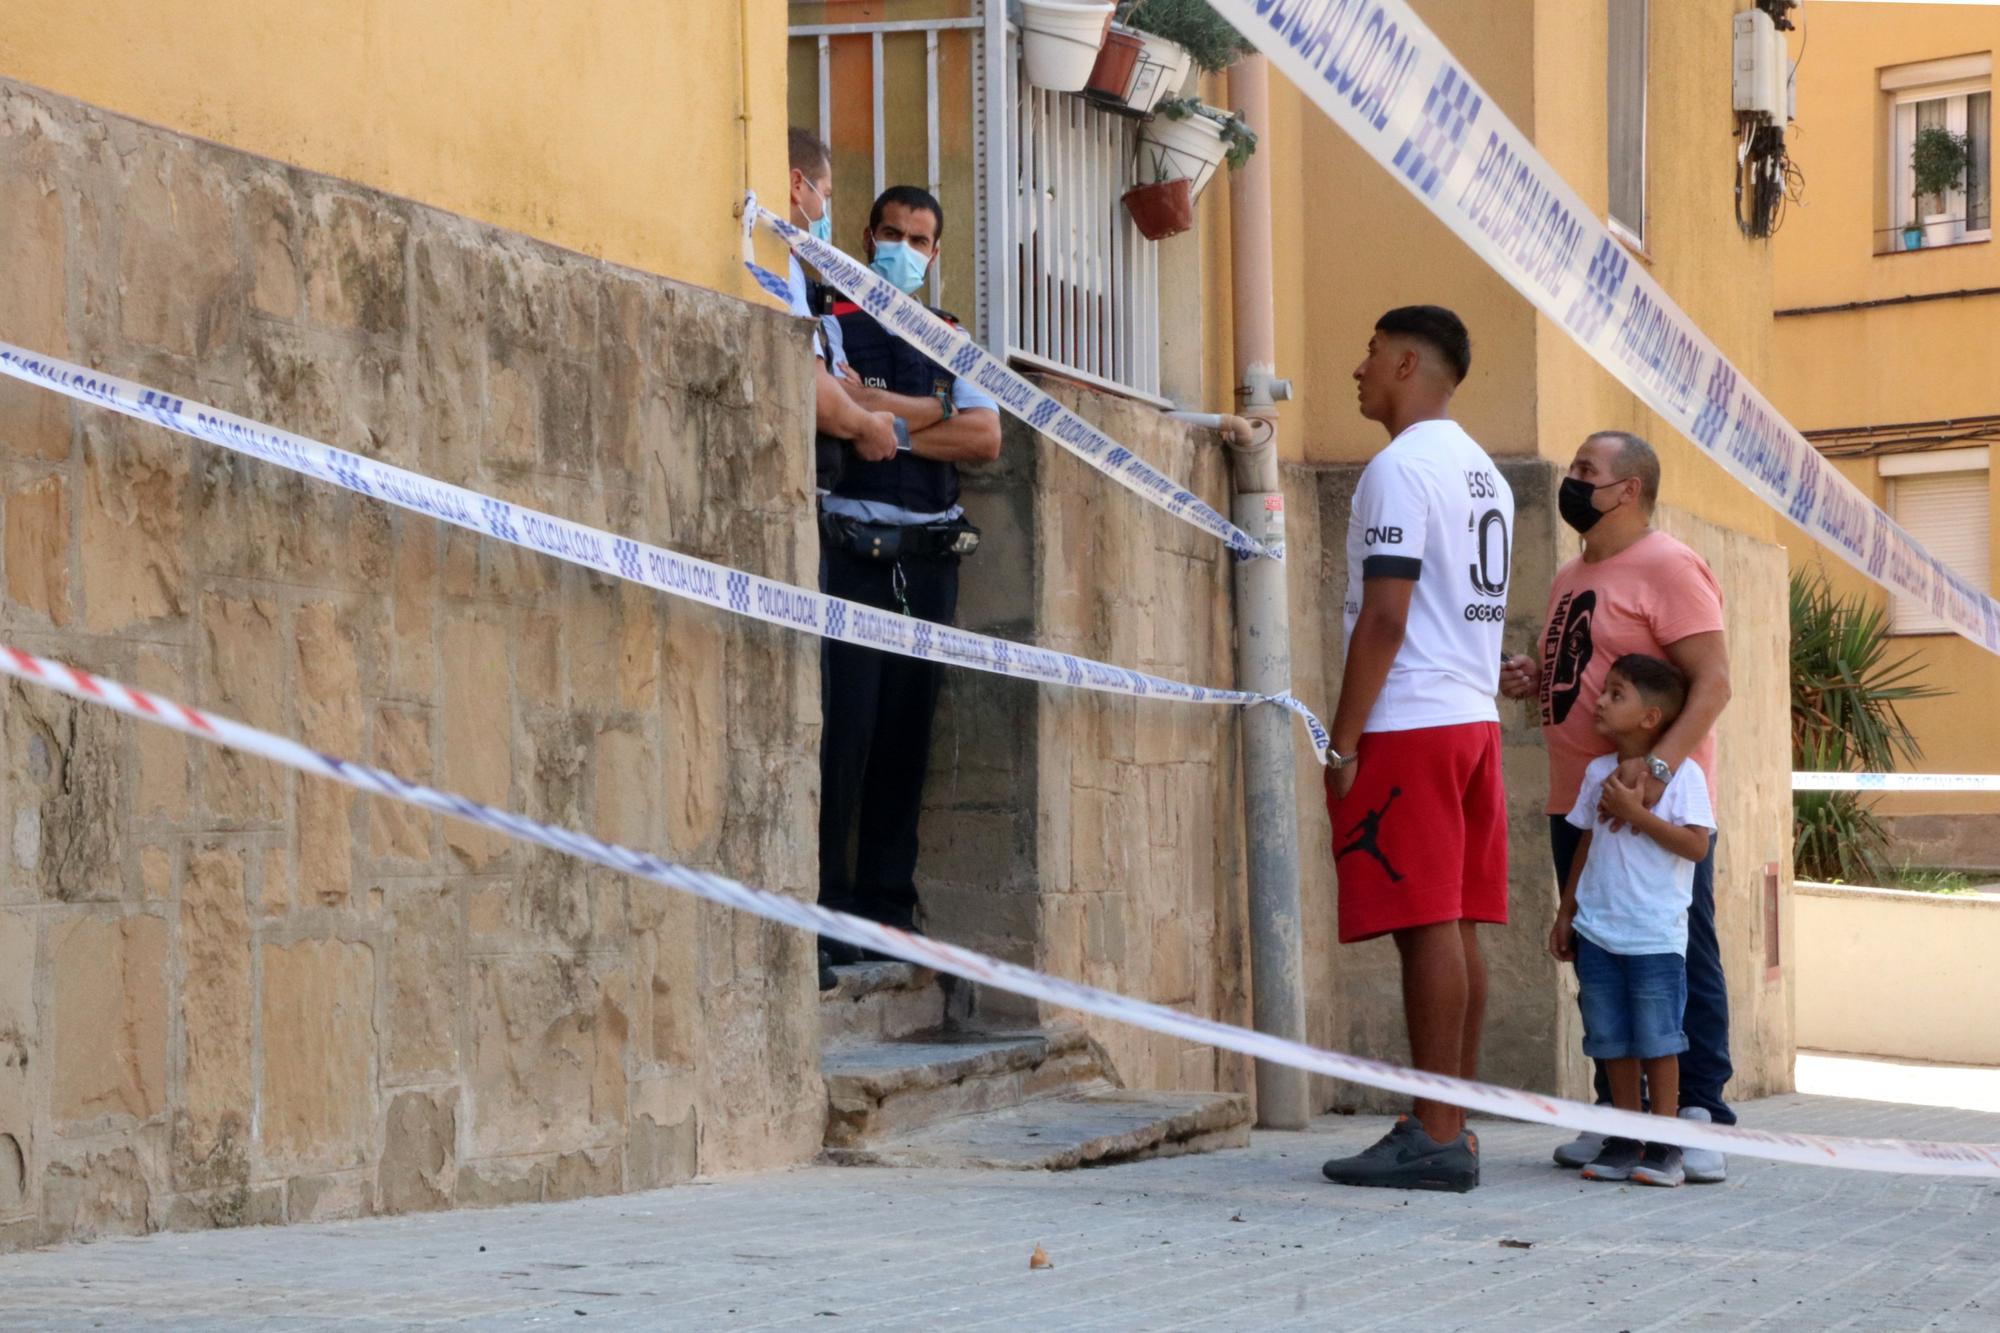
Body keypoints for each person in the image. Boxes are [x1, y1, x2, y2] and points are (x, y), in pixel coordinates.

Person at [1499, 429, 1734, 1184]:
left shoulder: (1669, 566)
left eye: (1586, 472)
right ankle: (1619, 1120)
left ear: (1628, 489)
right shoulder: (1573, 571)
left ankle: (1697, 1116)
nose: (1573, 482)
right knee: (1600, 954)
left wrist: (1659, 773)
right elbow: (1587, 666)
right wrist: (1537, 676)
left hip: (1653, 810)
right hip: (1581, 802)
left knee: (1675, 956)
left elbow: (1714, 681)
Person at [1318, 306, 1514, 1194]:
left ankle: (1435, 1130)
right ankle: (1447, 1119)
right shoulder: (1485, 473)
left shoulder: (1399, 469)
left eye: (1367, 353)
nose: (1357, 370)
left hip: (1413, 718)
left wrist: (1343, 736)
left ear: (1404, 362)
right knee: (1456, 919)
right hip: (1470, 717)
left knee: (1426, 922)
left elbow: (1387, 616)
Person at [817, 185, 1002, 977]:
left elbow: (985, 435)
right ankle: (828, 912)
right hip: (854, 556)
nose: (902, 249)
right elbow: (836, 409)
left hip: (928, 564)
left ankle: (889, 911)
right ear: (865, 236)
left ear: (937, 252)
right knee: (844, 737)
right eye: (890, 234)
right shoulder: (828, 319)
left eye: (918, 239)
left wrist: (885, 416)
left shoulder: (954, 337)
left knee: (906, 739)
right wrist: (928, 412)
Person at [1548, 654, 1716, 1188]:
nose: (1599, 700)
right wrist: (1567, 910)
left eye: (1616, 694)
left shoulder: (1686, 777)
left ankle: (1665, 1145)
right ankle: (1625, 1137)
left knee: (1658, 1040)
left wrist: (1639, 813)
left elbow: (1695, 845)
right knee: (1610, 1039)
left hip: (1654, 937)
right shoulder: (1597, 773)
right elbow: (1586, 844)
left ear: (1651, 718)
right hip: (1599, 932)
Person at [784, 128, 901, 484]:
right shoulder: (780, 266)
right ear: (797, 184)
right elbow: (811, 385)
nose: (823, 212)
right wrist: (868, 426)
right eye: (825, 195)